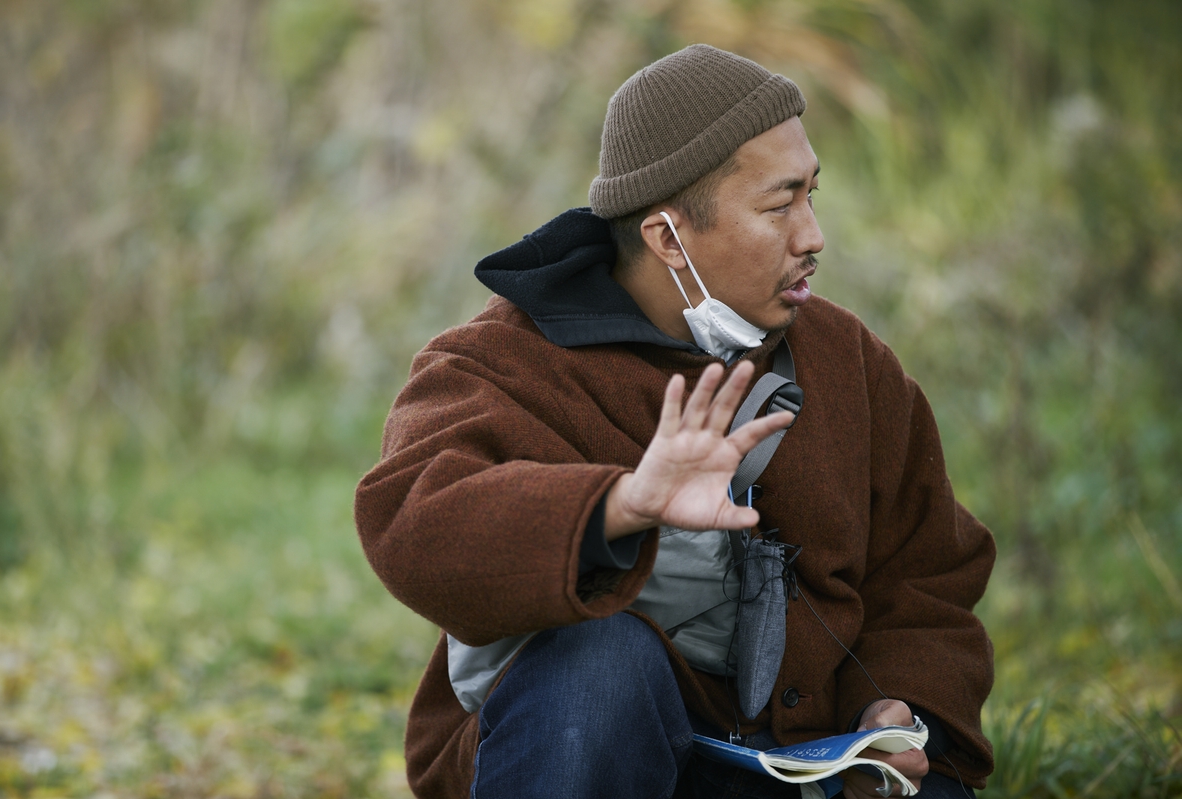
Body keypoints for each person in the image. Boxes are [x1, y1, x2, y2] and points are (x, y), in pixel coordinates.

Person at [355, 44, 995, 799]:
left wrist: (899, 709)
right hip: (593, 756)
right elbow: (412, 522)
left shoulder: (850, 360)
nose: (813, 234)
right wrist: (620, 506)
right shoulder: (496, 363)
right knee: (601, 664)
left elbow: (925, 577)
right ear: (667, 238)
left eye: (813, 194)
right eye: (780, 203)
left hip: (799, 773)